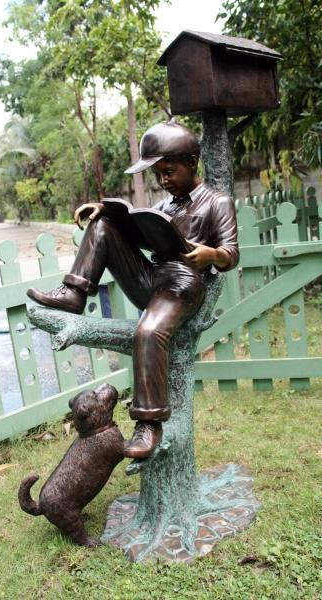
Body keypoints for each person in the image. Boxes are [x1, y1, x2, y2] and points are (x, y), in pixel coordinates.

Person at [27, 120, 239, 459]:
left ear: (192, 162)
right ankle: (75, 294)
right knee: (104, 224)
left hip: (183, 283)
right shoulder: (165, 206)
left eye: (169, 171)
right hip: (152, 277)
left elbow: (231, 254)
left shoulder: (217, 202)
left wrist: (210, 254)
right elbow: (139, 232)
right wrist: (104, 211)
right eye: (158, 174)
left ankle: (148, 424)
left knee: (148, 330)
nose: (163, 180)